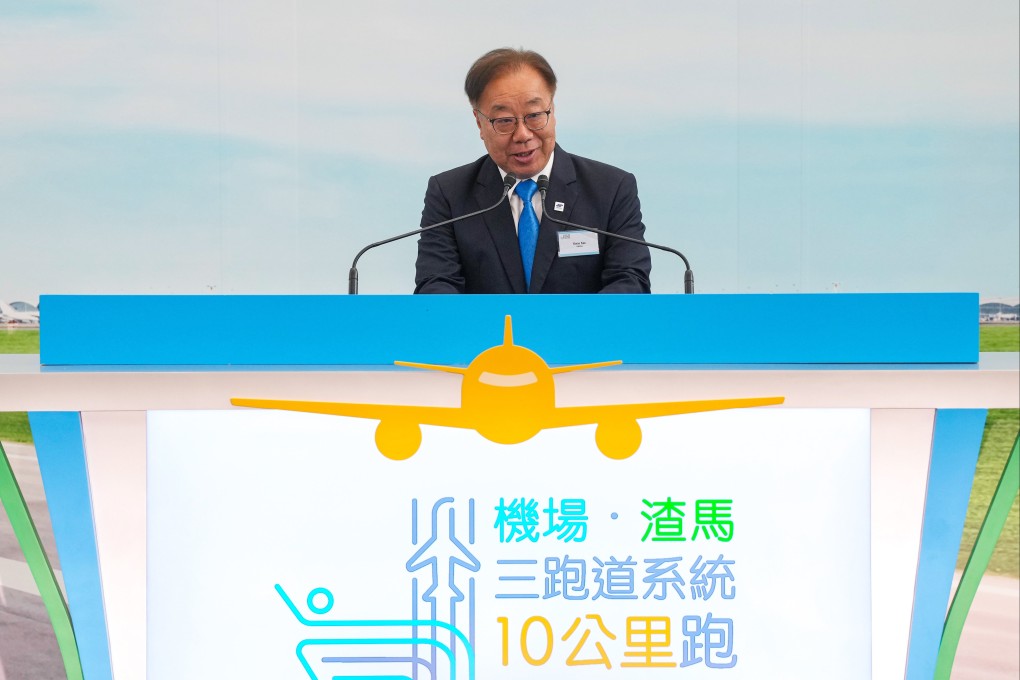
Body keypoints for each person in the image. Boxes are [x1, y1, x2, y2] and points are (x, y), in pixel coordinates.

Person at [414, 48, 652, 294]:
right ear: (479, 123)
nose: (523, 135)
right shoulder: (449, 195)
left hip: (582, 331)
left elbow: (630, 282)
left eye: (535, 116)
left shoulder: (611, 189)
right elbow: (436, 286)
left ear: (553, 110)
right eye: (504, 121)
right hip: (487, 333)